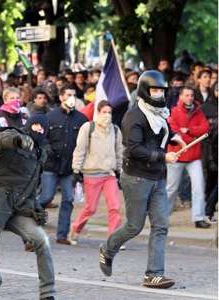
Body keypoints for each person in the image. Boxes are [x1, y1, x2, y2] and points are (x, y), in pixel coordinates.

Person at [99, 70, 186, 289]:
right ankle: (107, 249)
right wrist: (163, 156)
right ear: (145, 90)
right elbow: (135, 148)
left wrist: (175, 138)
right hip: (137, 178)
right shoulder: (134, 116)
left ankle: (153, 274)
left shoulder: (160, 112)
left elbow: (162, 131)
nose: (158, 94)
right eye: (154, 90)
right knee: (134, 226)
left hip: (157, 177)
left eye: (161, 90)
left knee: (161, 225)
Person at [0, 116, 55, 300]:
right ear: (27, 125)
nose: (39, 130)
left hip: (18, 210)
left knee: (42, 240)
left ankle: (48, 293)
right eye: (36, 125)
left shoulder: (40, 153)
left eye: (43, 128)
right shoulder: (13, 135)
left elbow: (30, 188)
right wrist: (18, 140)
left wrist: (35, 209)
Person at [38, 85, 88, 245]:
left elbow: (86, 143)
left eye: (73, 94)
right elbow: (41, 138)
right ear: (61, 97)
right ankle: (29, 224)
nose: (71, 97)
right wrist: (48, 149)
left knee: (68, 199)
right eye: (68, 94)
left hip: (69, 168)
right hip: (51, 165)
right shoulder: (50, 117)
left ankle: (62, 235)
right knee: (46, 197)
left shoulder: (81, 119)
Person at [70, 101, 123, 242]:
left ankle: (113, 239)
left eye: (109, 112)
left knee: (115, 207)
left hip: (109, 174)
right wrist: (76, 169)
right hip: (92, 174)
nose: (107, 115)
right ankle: (76, 228)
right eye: (104, 112)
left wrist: (119, 170)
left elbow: (119, 151)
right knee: (91, 208)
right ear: (98, 112)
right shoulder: (88, 128)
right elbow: (80, 149)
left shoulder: (116, 130)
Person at [166, 86, 211, 228]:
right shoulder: (174, 111)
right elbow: (173, 131)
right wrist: (189, 135)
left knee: (198, 187)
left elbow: (205, 128)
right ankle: (163, 217)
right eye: (186, 95)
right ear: (180, 97)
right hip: (177, 155)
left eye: (191, 95)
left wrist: (190, 131)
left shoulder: (198, 111)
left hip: (194, 156)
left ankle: (198, 218)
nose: (189, 98)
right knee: (171, 189)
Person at [202, 82, 218, 222]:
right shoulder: (206, 107)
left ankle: (208, 210)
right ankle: (207, 211)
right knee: (211, 183)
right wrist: (211, 158)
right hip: (211, 151)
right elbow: (205, 133)